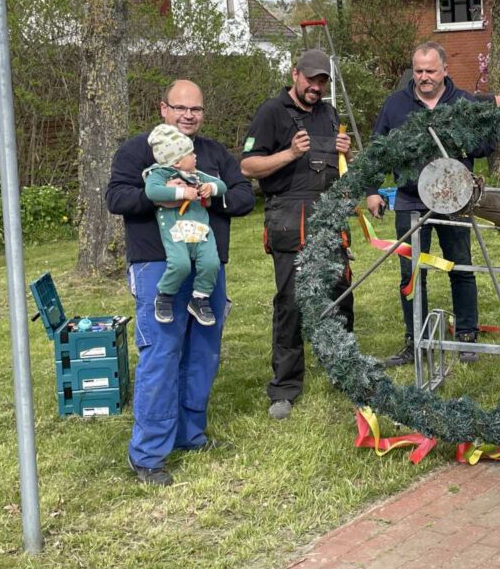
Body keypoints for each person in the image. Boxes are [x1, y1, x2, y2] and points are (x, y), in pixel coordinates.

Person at [106, 79, 255, 486]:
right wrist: (162, 195)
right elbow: (116, 198)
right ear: (163, 109)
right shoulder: (138, 150)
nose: (189, 115)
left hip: (207, 268)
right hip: (158, 266)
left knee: (203, 352)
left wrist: (211, 193)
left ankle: (191, 435)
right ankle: (150, 453)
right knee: (162, 352)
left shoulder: (213, 154)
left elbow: (244, 196)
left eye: (196, 109)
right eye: (180, 108)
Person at [365, 41, 500, 367]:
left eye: (430, 70)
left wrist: (463, 139)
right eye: (418, 71)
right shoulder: (395, 105)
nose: (424, 77)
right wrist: (372, 189)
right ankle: (415, 340)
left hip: (454, 200)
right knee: (411, 273)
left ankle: (466, 336)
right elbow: (377, 149)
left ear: (445, 70)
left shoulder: (463, 103)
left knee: (461, 266)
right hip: (409, 200)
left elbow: (486, 145)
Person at [240, 49, 354, 420]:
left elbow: (341, 173)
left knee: (339, 293)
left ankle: (341, 369)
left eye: (322, 81)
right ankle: (285, 387)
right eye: (311, 80)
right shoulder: (271, 112)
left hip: (327, 214)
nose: (316, 87)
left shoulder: (329, 114)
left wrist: (345, 156)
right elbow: (248, 166)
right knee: (291, 300)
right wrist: (289, 154)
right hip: (288, 216)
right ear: (295, 75)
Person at [143, 124, 228, 327]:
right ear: (177, 162)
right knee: (180, 264)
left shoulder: (197, 175)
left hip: (200, 231)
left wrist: (211, 187)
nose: (195, 156)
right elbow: (152, 192)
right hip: (176, 231)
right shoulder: (160, 174)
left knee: (211, 263)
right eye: (191, 153)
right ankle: (164, 295)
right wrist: (182, 193)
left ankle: (200, 298)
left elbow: (222, 186)